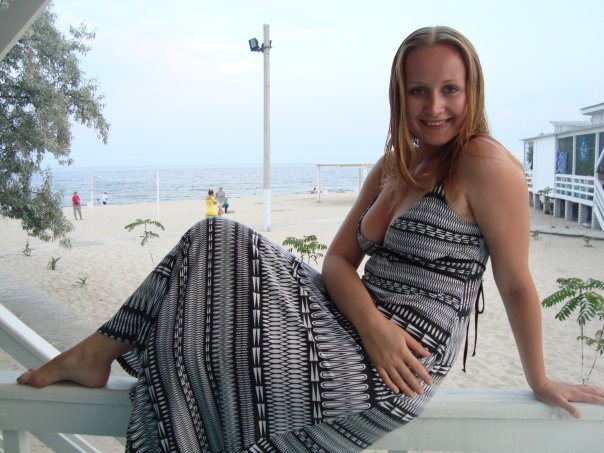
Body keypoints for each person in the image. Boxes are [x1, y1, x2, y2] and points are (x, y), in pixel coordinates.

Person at [18, 26, 604, 452]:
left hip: (403, 364)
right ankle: (100, 355)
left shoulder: (485, 164)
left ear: (472, 90)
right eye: (418, 90)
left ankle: (100, 357)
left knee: (214, 289)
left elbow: (515, 283)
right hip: (356, 326)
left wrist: (538, 379)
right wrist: (371, 326)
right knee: (214, 238)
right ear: (398, 94)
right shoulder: (394, 166)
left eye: (449, 89)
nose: (434, 107)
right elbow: (339, 262)